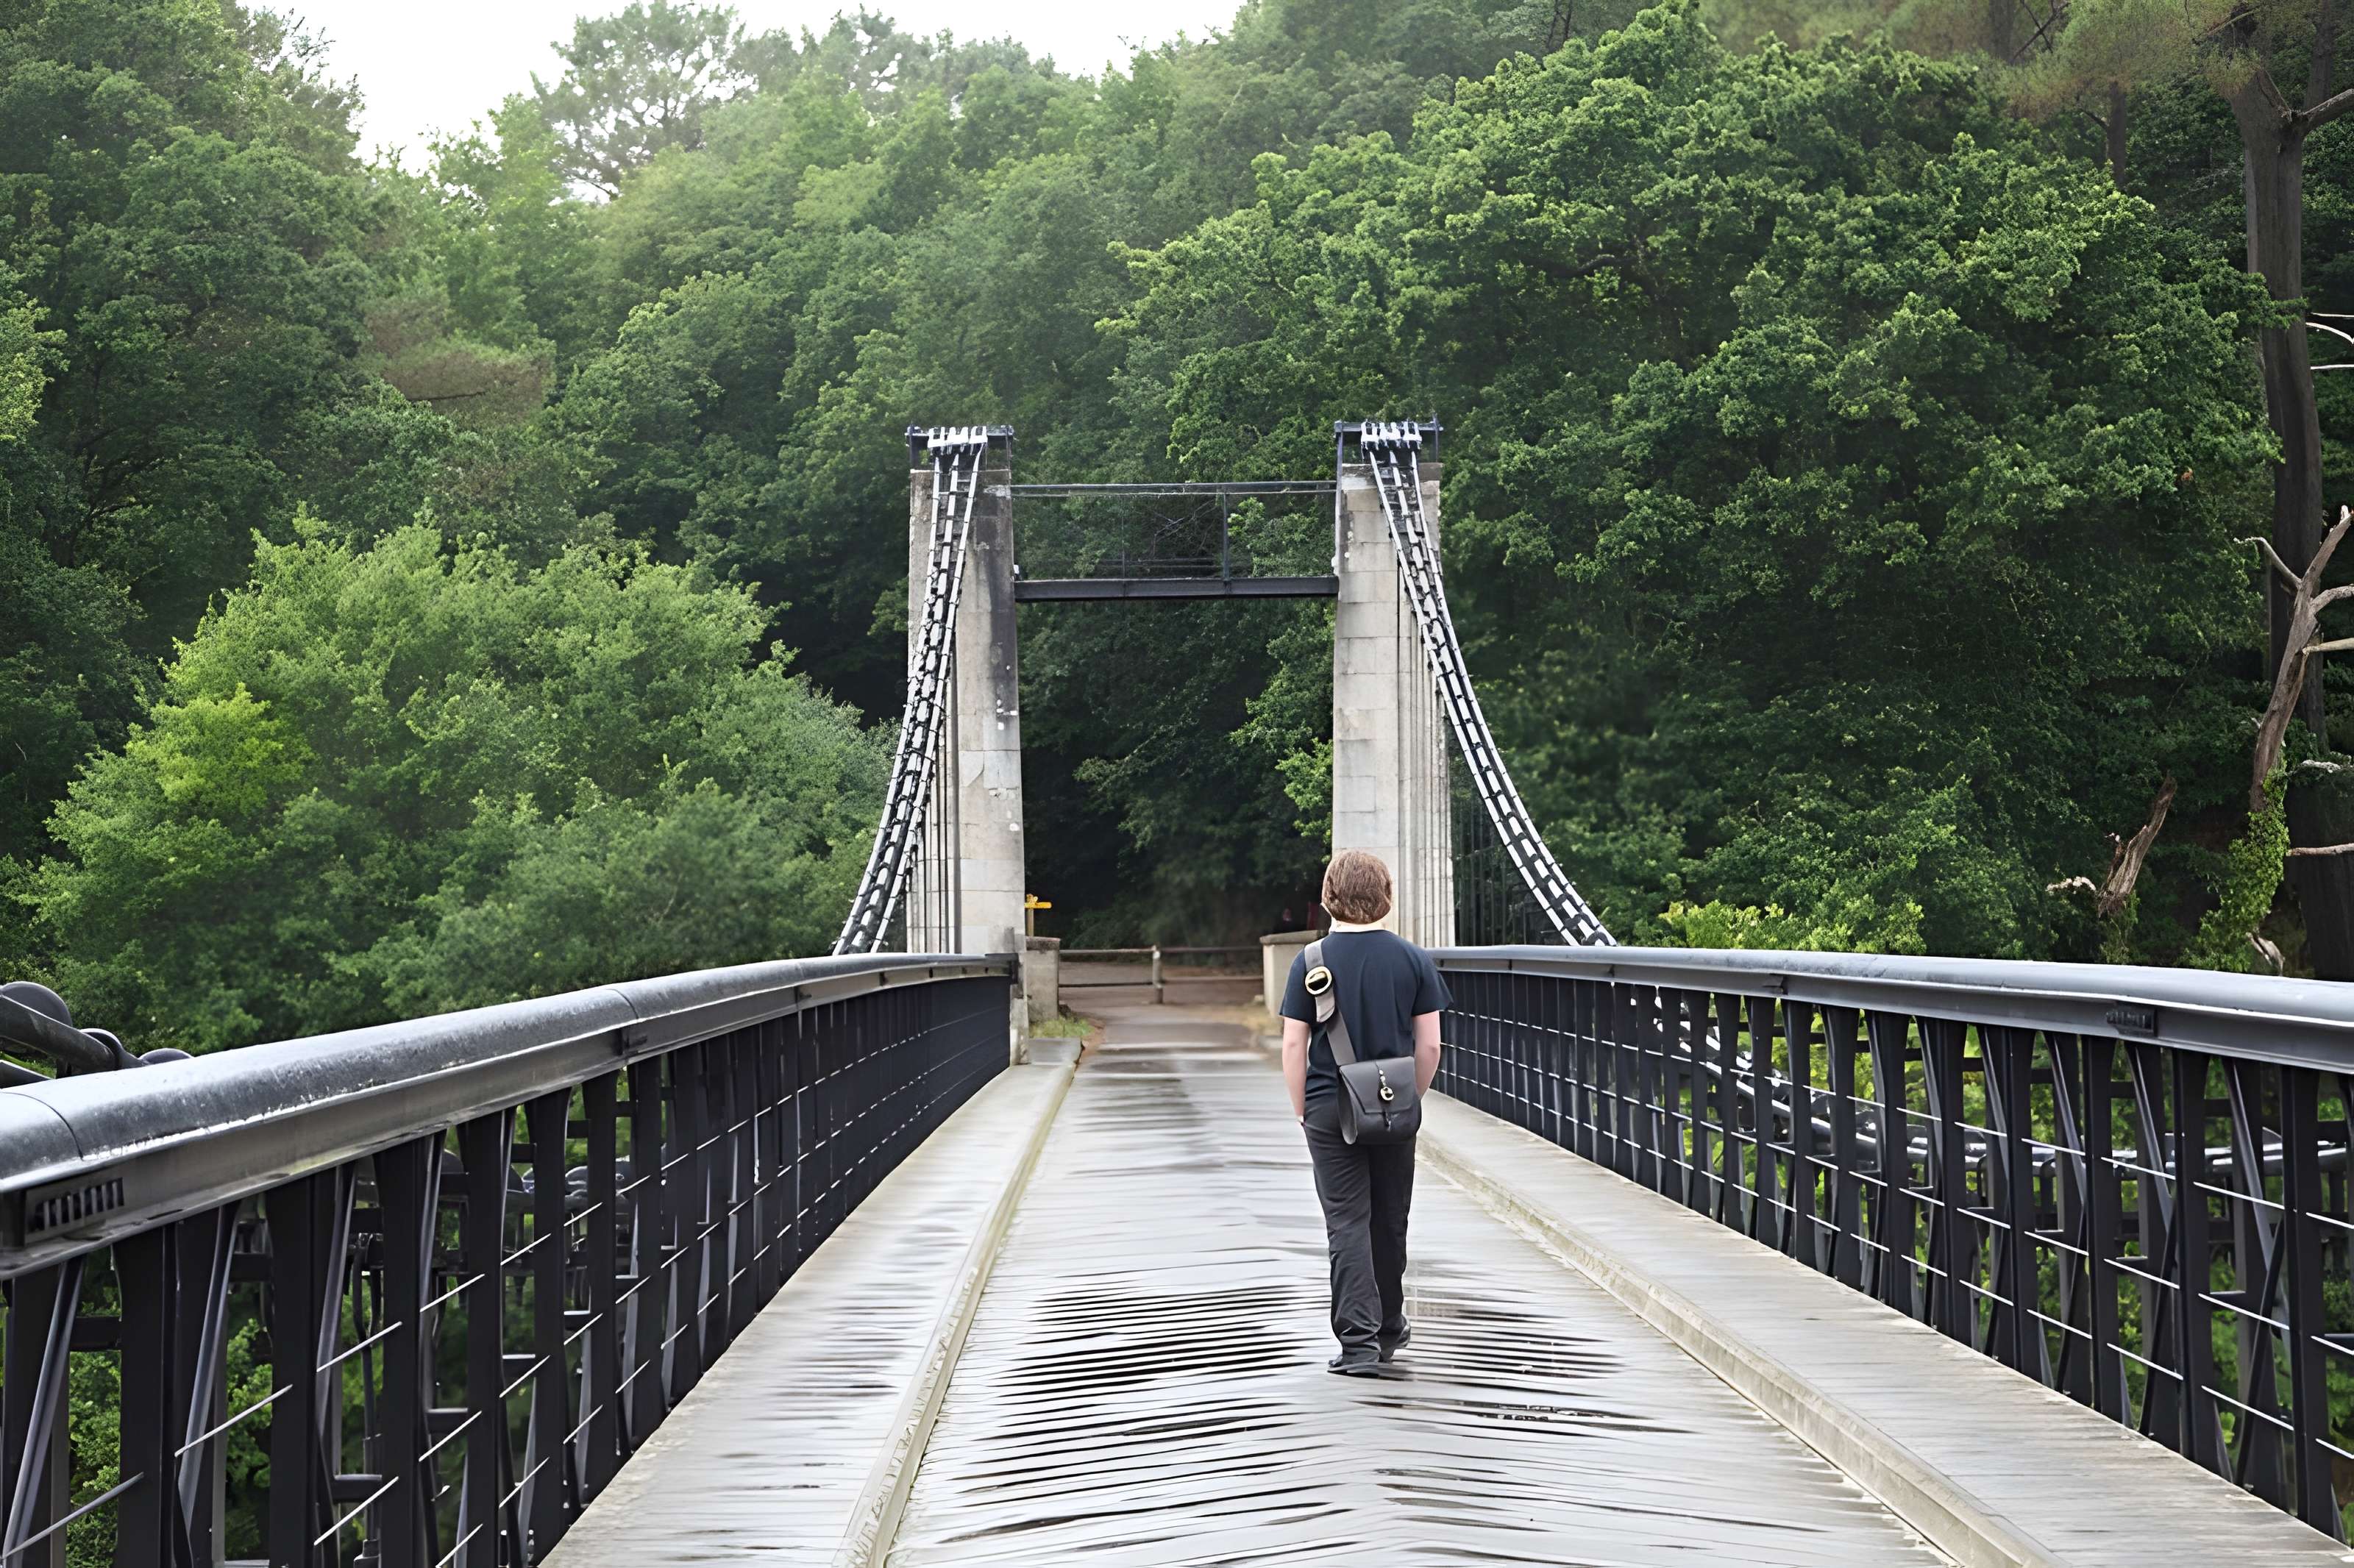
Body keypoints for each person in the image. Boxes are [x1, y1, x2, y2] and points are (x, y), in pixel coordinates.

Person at [1278, 849, 1448, 1375]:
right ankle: (1391, 1326)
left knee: (1346, 1221)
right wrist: (1409, 1096)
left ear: (1329, 895)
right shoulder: (1414, 959)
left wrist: (1304, 1108)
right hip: (1394, 1104)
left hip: (1331, 1105)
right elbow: (1431, 1048)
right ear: (1385, 896)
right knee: (1390, 1217)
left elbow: (1292, 1045)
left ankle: (1359, 1344)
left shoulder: (1311, 963)